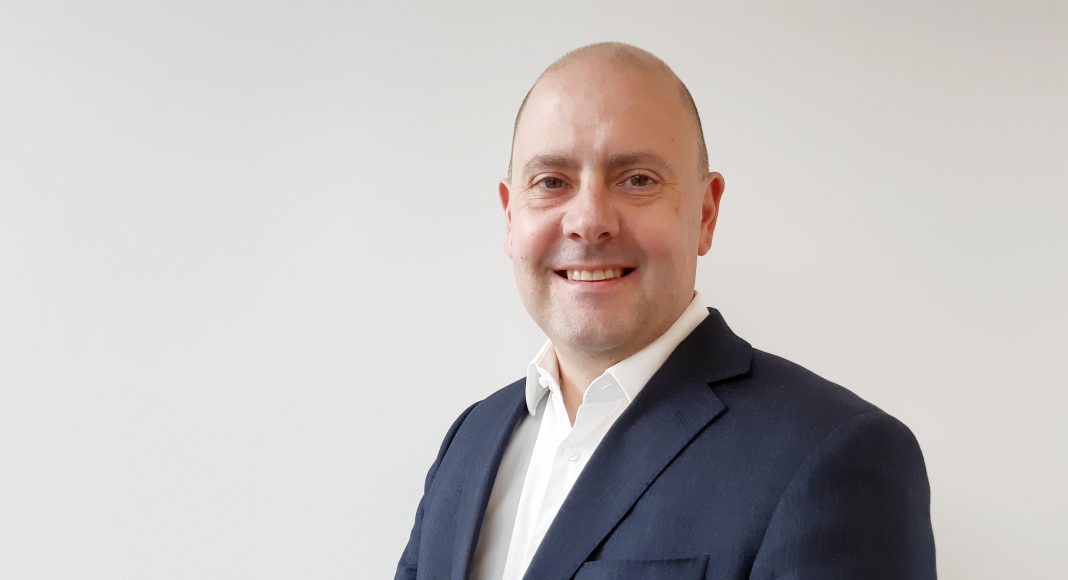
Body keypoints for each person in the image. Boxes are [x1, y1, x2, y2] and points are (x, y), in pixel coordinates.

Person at [395, 42, 936, 580]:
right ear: (511, 217)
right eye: (551, 182)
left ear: (705, 213)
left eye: (637, 180)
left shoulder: (834, 453)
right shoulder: (468, 441)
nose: (589, 221)